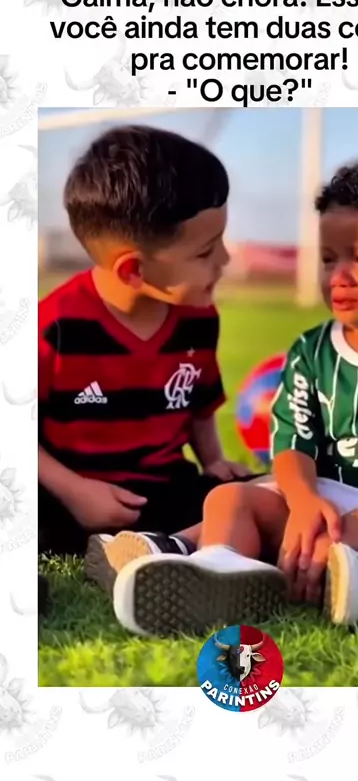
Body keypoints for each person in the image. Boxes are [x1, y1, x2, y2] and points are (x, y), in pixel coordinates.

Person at [110, 155, 358, 638]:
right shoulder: (311, 351)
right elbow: (292, 445)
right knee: (230, 498)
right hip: (328, 510)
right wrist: (306, 501)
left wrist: (356, 531)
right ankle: (218, 570)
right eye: (328, 258)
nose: (338, 276)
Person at [38, 124, 254, 596]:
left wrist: (214, 460)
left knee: (275, 492)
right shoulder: (54, 327)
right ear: (134, 269)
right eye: (206, 251)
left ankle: (161, 547)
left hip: (161, 493)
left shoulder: (199, 319)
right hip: (64, 500)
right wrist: (76, 492)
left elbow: (197, 403)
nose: (224, 259)